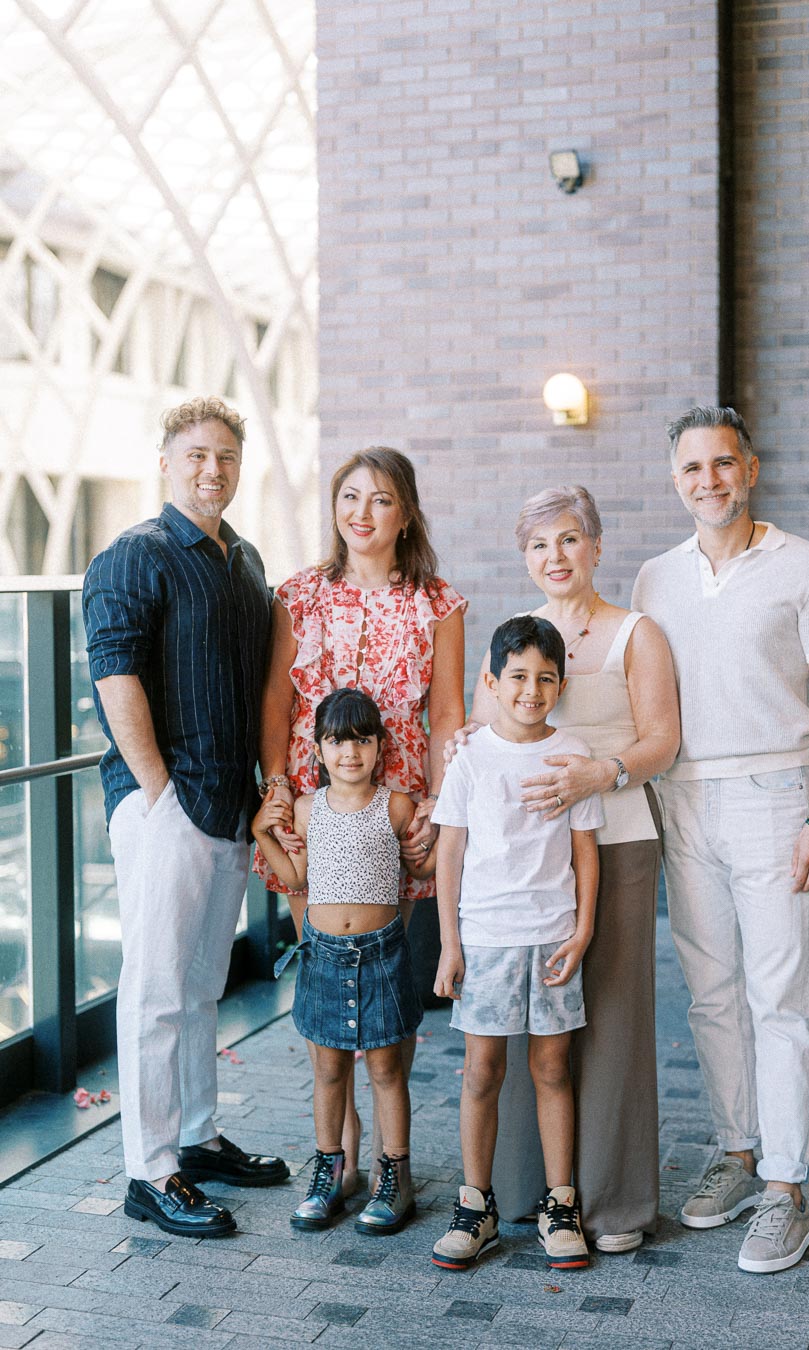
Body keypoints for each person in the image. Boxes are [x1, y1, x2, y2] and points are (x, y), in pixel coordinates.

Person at [632, 405, 809, 1274]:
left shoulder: (807, 566)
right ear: (675, 480)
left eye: (723, 463)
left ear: (751, 469)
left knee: (781, 999)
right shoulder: (655, 579)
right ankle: (737, 1153)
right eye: (693, 468)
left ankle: (785, 1189)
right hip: (682, 798)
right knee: (711, 995)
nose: (709, 480)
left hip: (775, 796)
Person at [450, 486, 680, 1252]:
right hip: (525, 863)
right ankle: (524, 1192)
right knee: (525, 1034)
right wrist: (461, 741)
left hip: (615, 838)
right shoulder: (518, 639)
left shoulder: (635, 633)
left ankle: (611, 1203)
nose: (556, 556)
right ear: (526, 557)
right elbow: (485, 730)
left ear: (596, 546)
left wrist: (599, 774)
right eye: (540, 544)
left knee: (609, 1021)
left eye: (570, 539)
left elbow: (663, 741)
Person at [82, 395, 288, 1240]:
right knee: (157, 991)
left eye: (227, 456)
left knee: (203, 985)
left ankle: (196, 1138)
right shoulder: (135, 555)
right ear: (166, 460)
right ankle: (151, 1170)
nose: (213, 469)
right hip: (165, 806)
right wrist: (159, 795)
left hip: (230, 804)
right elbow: (115, 678)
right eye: (197, 454)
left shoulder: (244, 560)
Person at [256, 446, 466, 1193]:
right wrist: (277, 788)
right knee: (323, 980)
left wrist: (440, 803)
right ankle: (336, 1161)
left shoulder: (438, 603)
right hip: (311, 809)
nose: (362, 513)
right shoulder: (299, 594)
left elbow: (447, 712)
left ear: (405, 512)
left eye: (380, 499)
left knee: (384, 990)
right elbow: (277, 702)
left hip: (397, 815)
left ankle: (390, 1163)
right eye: (350, 496)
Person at [431, 616, 605, 1272]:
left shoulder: (572, 753)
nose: (532, 690)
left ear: (562, 685)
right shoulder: (471, 757)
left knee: (552, 1069)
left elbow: (585, 852)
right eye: (519, 677)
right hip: (486, 939)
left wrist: (583, 930)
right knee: (482, 1071)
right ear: (492, 682)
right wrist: (450, 944)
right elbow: (451, 852)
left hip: (554, 937)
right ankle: (475, 1207)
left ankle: (560, 1207)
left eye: (546, 678)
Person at [253, 688, 435, 1235]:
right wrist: (261, 831)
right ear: (318, 749)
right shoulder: (307, 810)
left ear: (380, 746)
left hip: (382, 955)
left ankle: (395, 1176)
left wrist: (435, 836)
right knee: (329, 1070)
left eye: (361, 741)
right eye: (336, 741)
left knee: (385, 1069)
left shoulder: (396, 805)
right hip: (324, 958)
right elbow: (294, 878)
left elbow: (422, 872)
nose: (349, 752)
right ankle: (329, 1173)